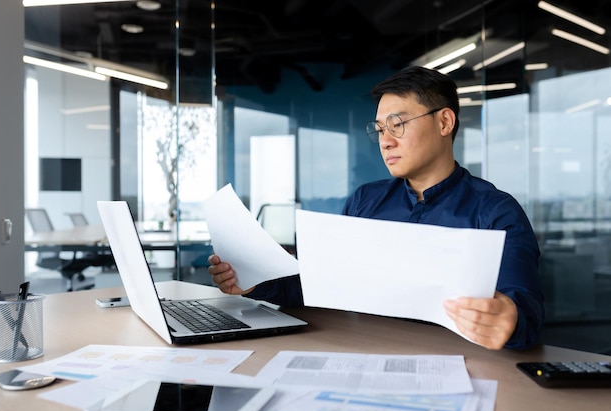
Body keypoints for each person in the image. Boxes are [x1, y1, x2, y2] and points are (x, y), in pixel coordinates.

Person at [208, 66, 544, 351]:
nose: (385, 140)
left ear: (444, 122)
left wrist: (508, 318)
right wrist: (253, 281)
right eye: (380, 129)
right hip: (362, 354)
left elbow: (525, 311)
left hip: (461, 366)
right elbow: (319, 285)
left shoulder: (496, 211)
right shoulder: (365, 202)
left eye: (397, 124)